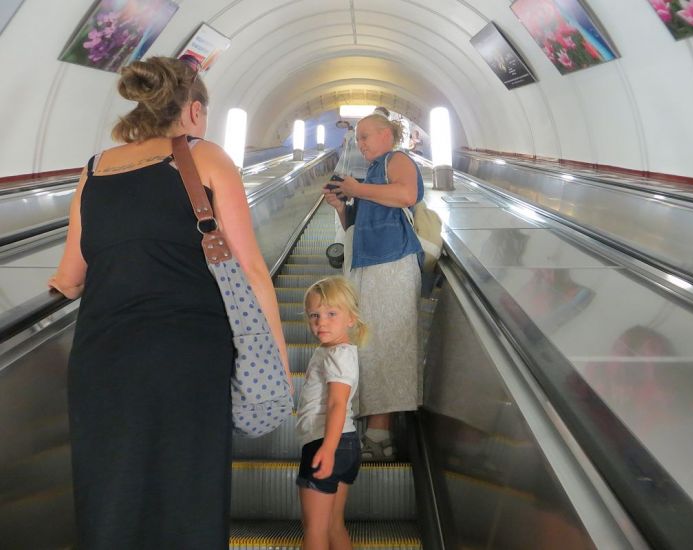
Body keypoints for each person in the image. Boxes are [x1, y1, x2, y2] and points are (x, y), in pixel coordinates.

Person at [48, 56, 291, 549]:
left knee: (111, 493)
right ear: (194, 111)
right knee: (187, 494)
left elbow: (70, 279)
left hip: (102, 360)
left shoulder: (93, 170)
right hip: (187, 359)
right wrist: (278, 363)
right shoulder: (207, 158)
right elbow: (251, 270)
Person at [323, 113, 424, 460]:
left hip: (393, 263)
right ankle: (372, 429)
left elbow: (406, 194)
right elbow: (355, 226)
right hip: (367, 263)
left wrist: (357, 189)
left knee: (388, 343)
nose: (360, 143)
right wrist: (342, 205)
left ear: (386, 134)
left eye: (366, 136)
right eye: (358, 138)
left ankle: (381, 433)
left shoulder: (397, 160)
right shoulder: (371, 175)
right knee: (367, 344)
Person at [296, 277, 367, 549]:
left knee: (314, 529)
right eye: (314, 315)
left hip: (326, 442)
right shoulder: (336, 352)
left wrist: (327, 447)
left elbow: (338, 403)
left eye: (331, 314)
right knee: (334, 525)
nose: (321, 322)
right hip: (345, 444)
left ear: (351, 318)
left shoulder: (338, 354)